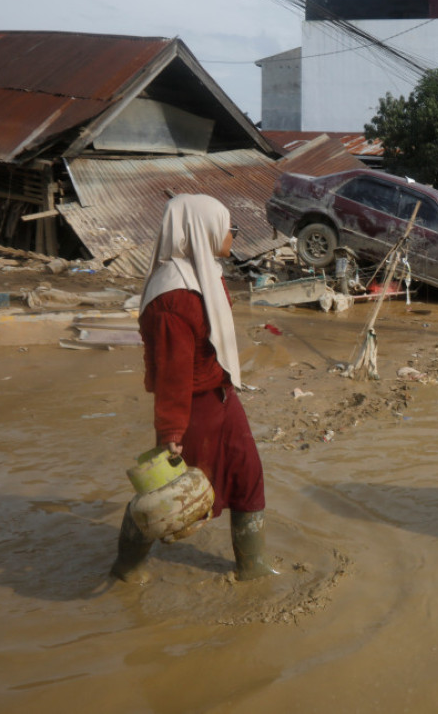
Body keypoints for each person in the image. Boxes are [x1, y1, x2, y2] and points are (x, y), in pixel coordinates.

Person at [110, 194, 278, 583]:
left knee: (247, 474)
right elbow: (172, 373)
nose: (232, 234)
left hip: (222, 397)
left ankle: (252, 567)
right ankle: (126, 569)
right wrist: (171, 432)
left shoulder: (205, 273)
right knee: (173, 499)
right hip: (192, 408)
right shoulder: (174, 296)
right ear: (201, 231)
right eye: (227, 227)